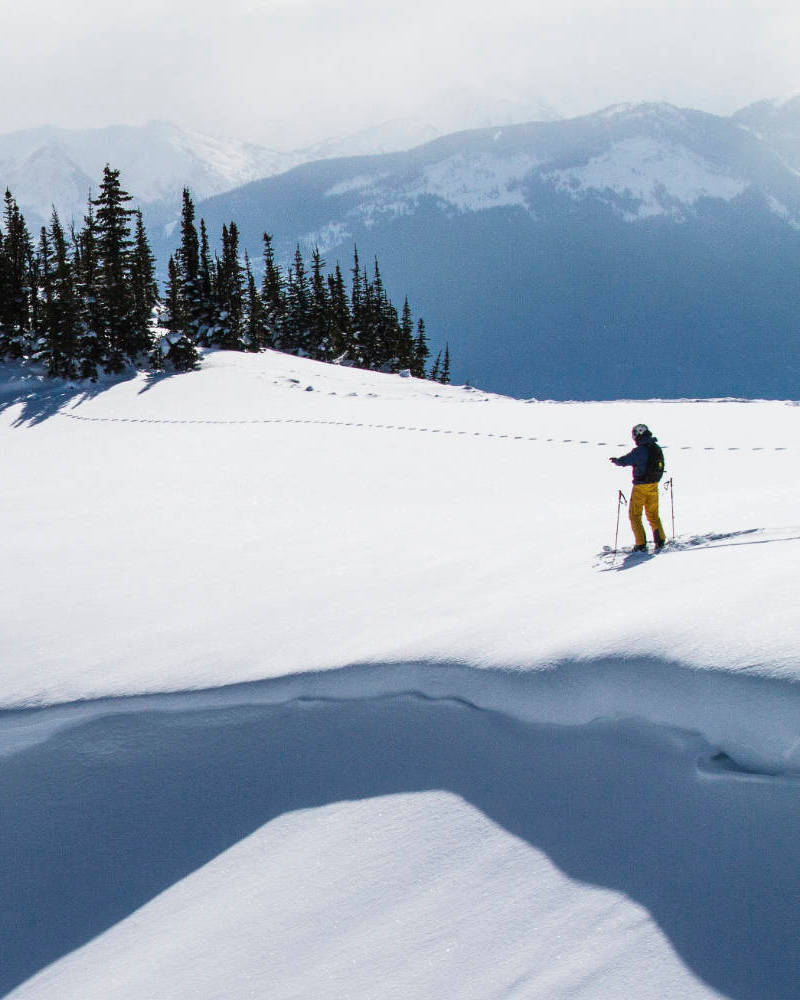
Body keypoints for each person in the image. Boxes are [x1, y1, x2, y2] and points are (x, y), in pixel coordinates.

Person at [610, 424, 666, 551]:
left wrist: (616, 461)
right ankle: (660, 539)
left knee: (635, 515)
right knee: (653, 514)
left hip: (641, 486)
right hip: (653, 485)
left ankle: (640, 544)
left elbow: (626, 460)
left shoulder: (640, 450)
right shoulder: (655, 447)